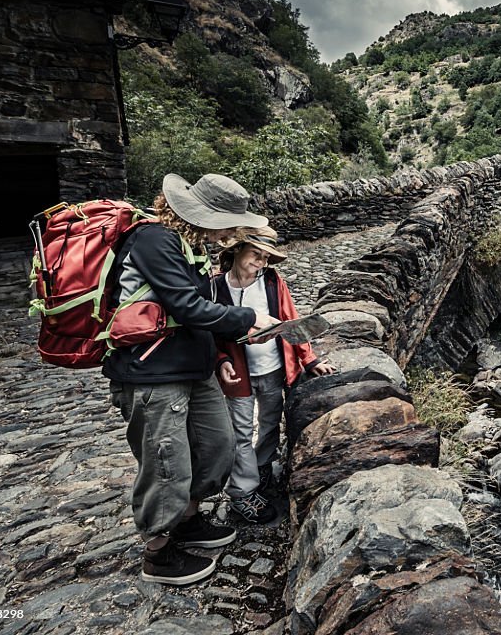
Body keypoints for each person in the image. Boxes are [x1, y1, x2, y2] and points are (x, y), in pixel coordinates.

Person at [104, 173, 280, 586]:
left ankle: (187, 518)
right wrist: (249, 318)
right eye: (230, 224)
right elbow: (188, 308)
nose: (234, 233)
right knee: (167, 460)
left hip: (192, 367)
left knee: (217, 444)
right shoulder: (154, 241)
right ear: (206, 216)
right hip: (152, 372)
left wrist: (217, 354)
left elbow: (197, 310)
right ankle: (158, 552)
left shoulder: (191, 245)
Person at [213, 226, 335, 523]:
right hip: (238, 374)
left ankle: (263, 467)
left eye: (266, 257)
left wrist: (309, 359)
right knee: (240, 432)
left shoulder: (271, 281)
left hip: (273, 367)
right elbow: (210, 332)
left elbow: (291, 319)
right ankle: (243, 492)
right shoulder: (215, 287)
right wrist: (221, 359)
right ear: (236, 250)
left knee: (269, 423)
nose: (261, 262)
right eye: (256, 254)